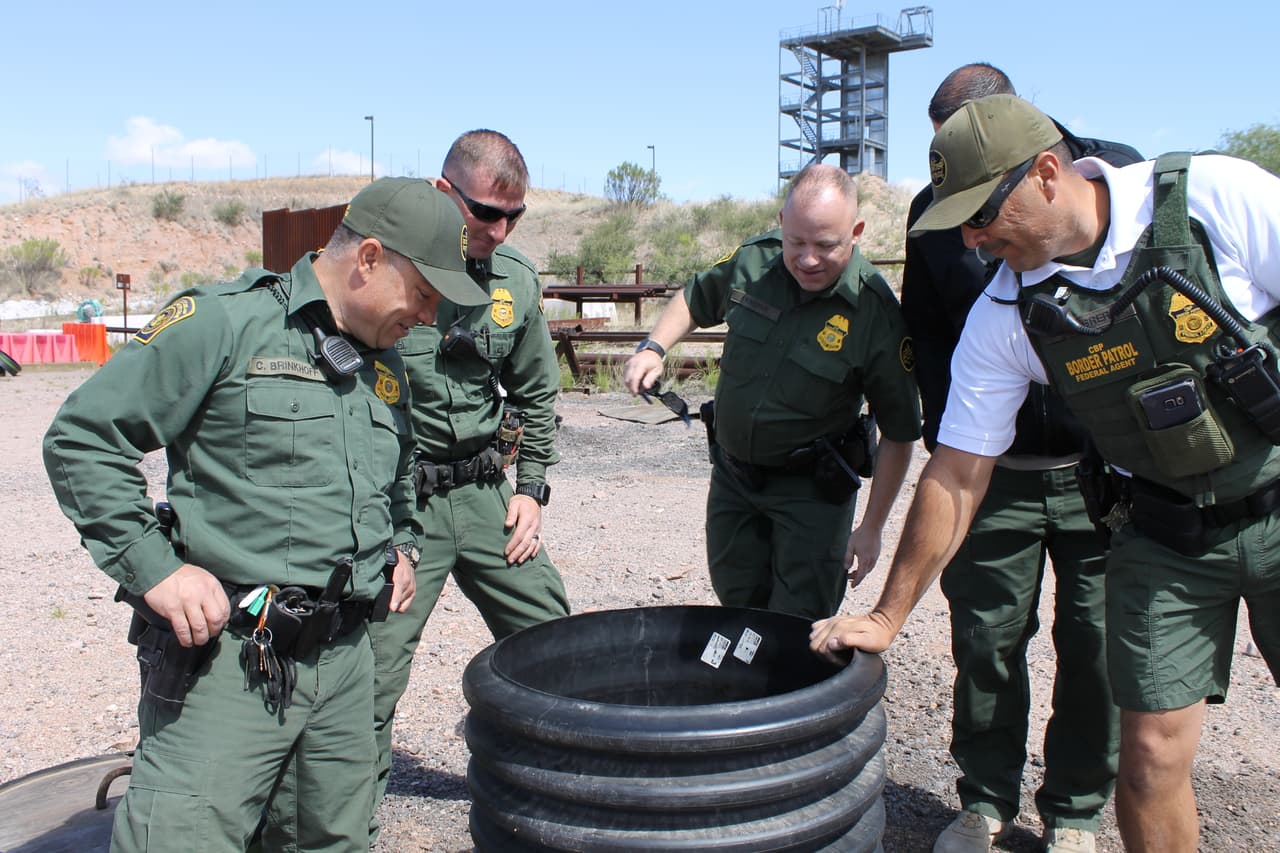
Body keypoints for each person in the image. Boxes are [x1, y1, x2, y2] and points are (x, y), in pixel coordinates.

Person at [811, 94, 1280, 853]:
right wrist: (890, 615)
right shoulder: (1009, 312)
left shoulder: (1215, 201)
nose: (972, 237)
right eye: (959, 222)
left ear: (1049, 173)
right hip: (1163, 532)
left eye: (983, 214)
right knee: (1151, 759)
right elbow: (957, 471)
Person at [42, 177, 490, 852]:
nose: (430, 317)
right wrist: (156, 569)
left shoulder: (384, 359)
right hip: (231, 660)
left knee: (333, 839)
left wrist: (402, 544)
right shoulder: (226, 324)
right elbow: (82, 437)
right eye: (425, 293)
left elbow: (397, 469)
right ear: (368, 258)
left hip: (344, 665)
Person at [901, 65, 1141, 853]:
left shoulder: (1115, 170)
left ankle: (1074, 810)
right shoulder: (929, 216)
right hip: (990, 469)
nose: (962, 206)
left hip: (1103, 467)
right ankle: (984, 800)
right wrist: (948, 435)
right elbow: (929, 331)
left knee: (1097, 644)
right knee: (985, 638)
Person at [369, 130, 570, 820]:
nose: (499, 228)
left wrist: (531, 491)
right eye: (486, 211)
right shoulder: (388, 271)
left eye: (513, 215)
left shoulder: (513, 280)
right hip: (403, 507)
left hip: (484, 492)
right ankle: (341, 817)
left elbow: (538, 391)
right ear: (442, 194)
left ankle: (564, 786)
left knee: (554, 639)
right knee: (370, 669)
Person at [623, 163, 921, 620]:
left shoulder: (875, 313)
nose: (807, 259)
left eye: (825, 245)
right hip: (734, 480)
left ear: (856, 231)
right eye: (796, 242)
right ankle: (746, 687)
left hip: (811, 496)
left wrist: (872, 527)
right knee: (737, 600)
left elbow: (900, 434)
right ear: (781, 224)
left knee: (798, 625)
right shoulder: (754, 261)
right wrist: (653, 347)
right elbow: (695, 298)